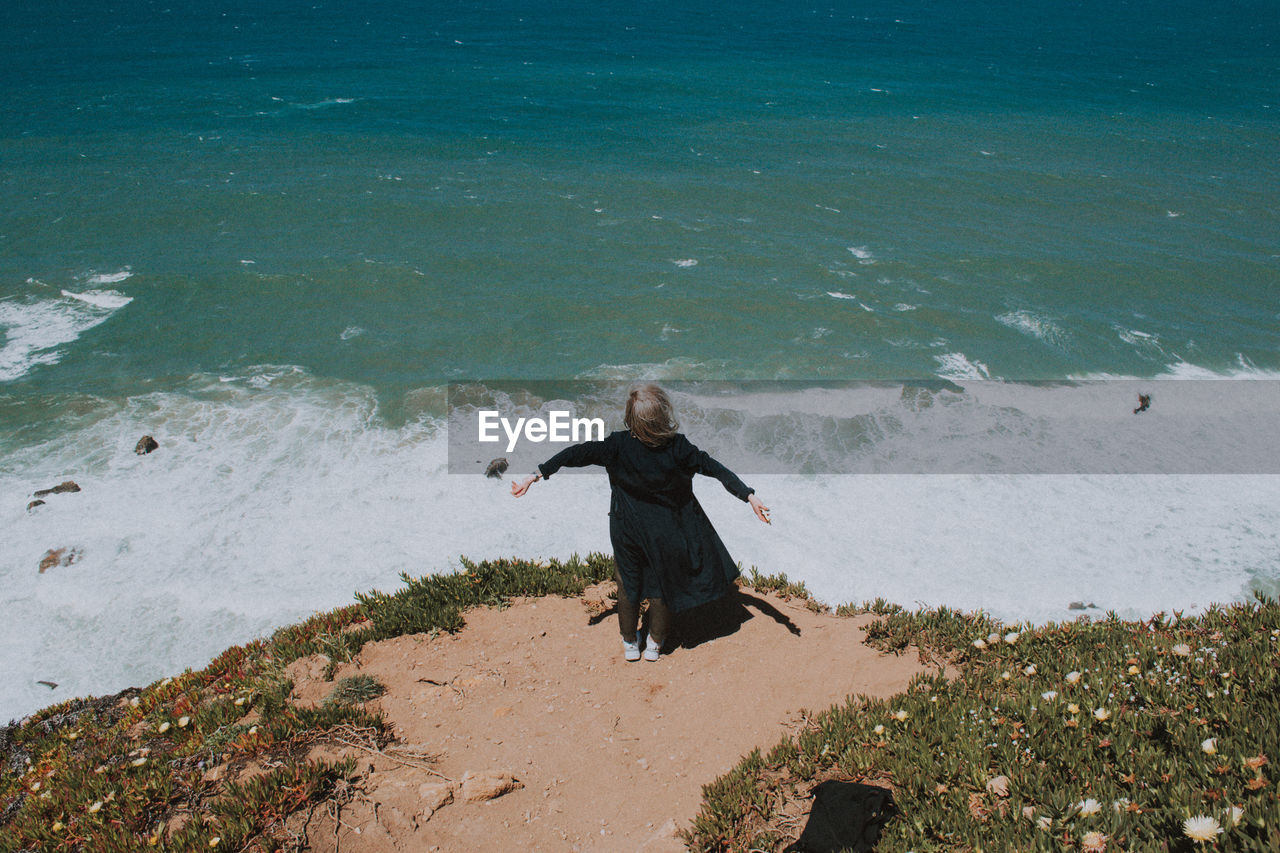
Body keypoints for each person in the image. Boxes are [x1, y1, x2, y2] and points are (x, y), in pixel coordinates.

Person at [511, 384, 770, 662]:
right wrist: (749, 496)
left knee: (628, 584)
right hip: (666, 533)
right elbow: (716, 469)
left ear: (631, 418)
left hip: (626, 530)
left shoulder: (617, 446)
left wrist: (535, 475)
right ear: (662, 416)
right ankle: (655, 644)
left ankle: (629, 643)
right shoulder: (679, 447)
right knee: (660, 586)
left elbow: (577, 453)